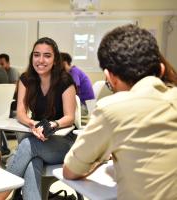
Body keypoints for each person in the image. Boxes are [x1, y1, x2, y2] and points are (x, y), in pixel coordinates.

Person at [63, 24, 177, 200]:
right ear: (161, 70)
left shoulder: (111, 109)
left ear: (110, 77)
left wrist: (100, 158)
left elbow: (70, 171)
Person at [0, 37, 77, 200]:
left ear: (55, 60)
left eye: (47, 55)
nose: (41, 60)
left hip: (63, 141)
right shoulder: (26, 79)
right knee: (32, 163)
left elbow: (70, 117)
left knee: (26, 145)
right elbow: (21, 112)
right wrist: (32, 124)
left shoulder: (65, 81)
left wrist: (54, 124)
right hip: (36, 136)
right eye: (36, 55)